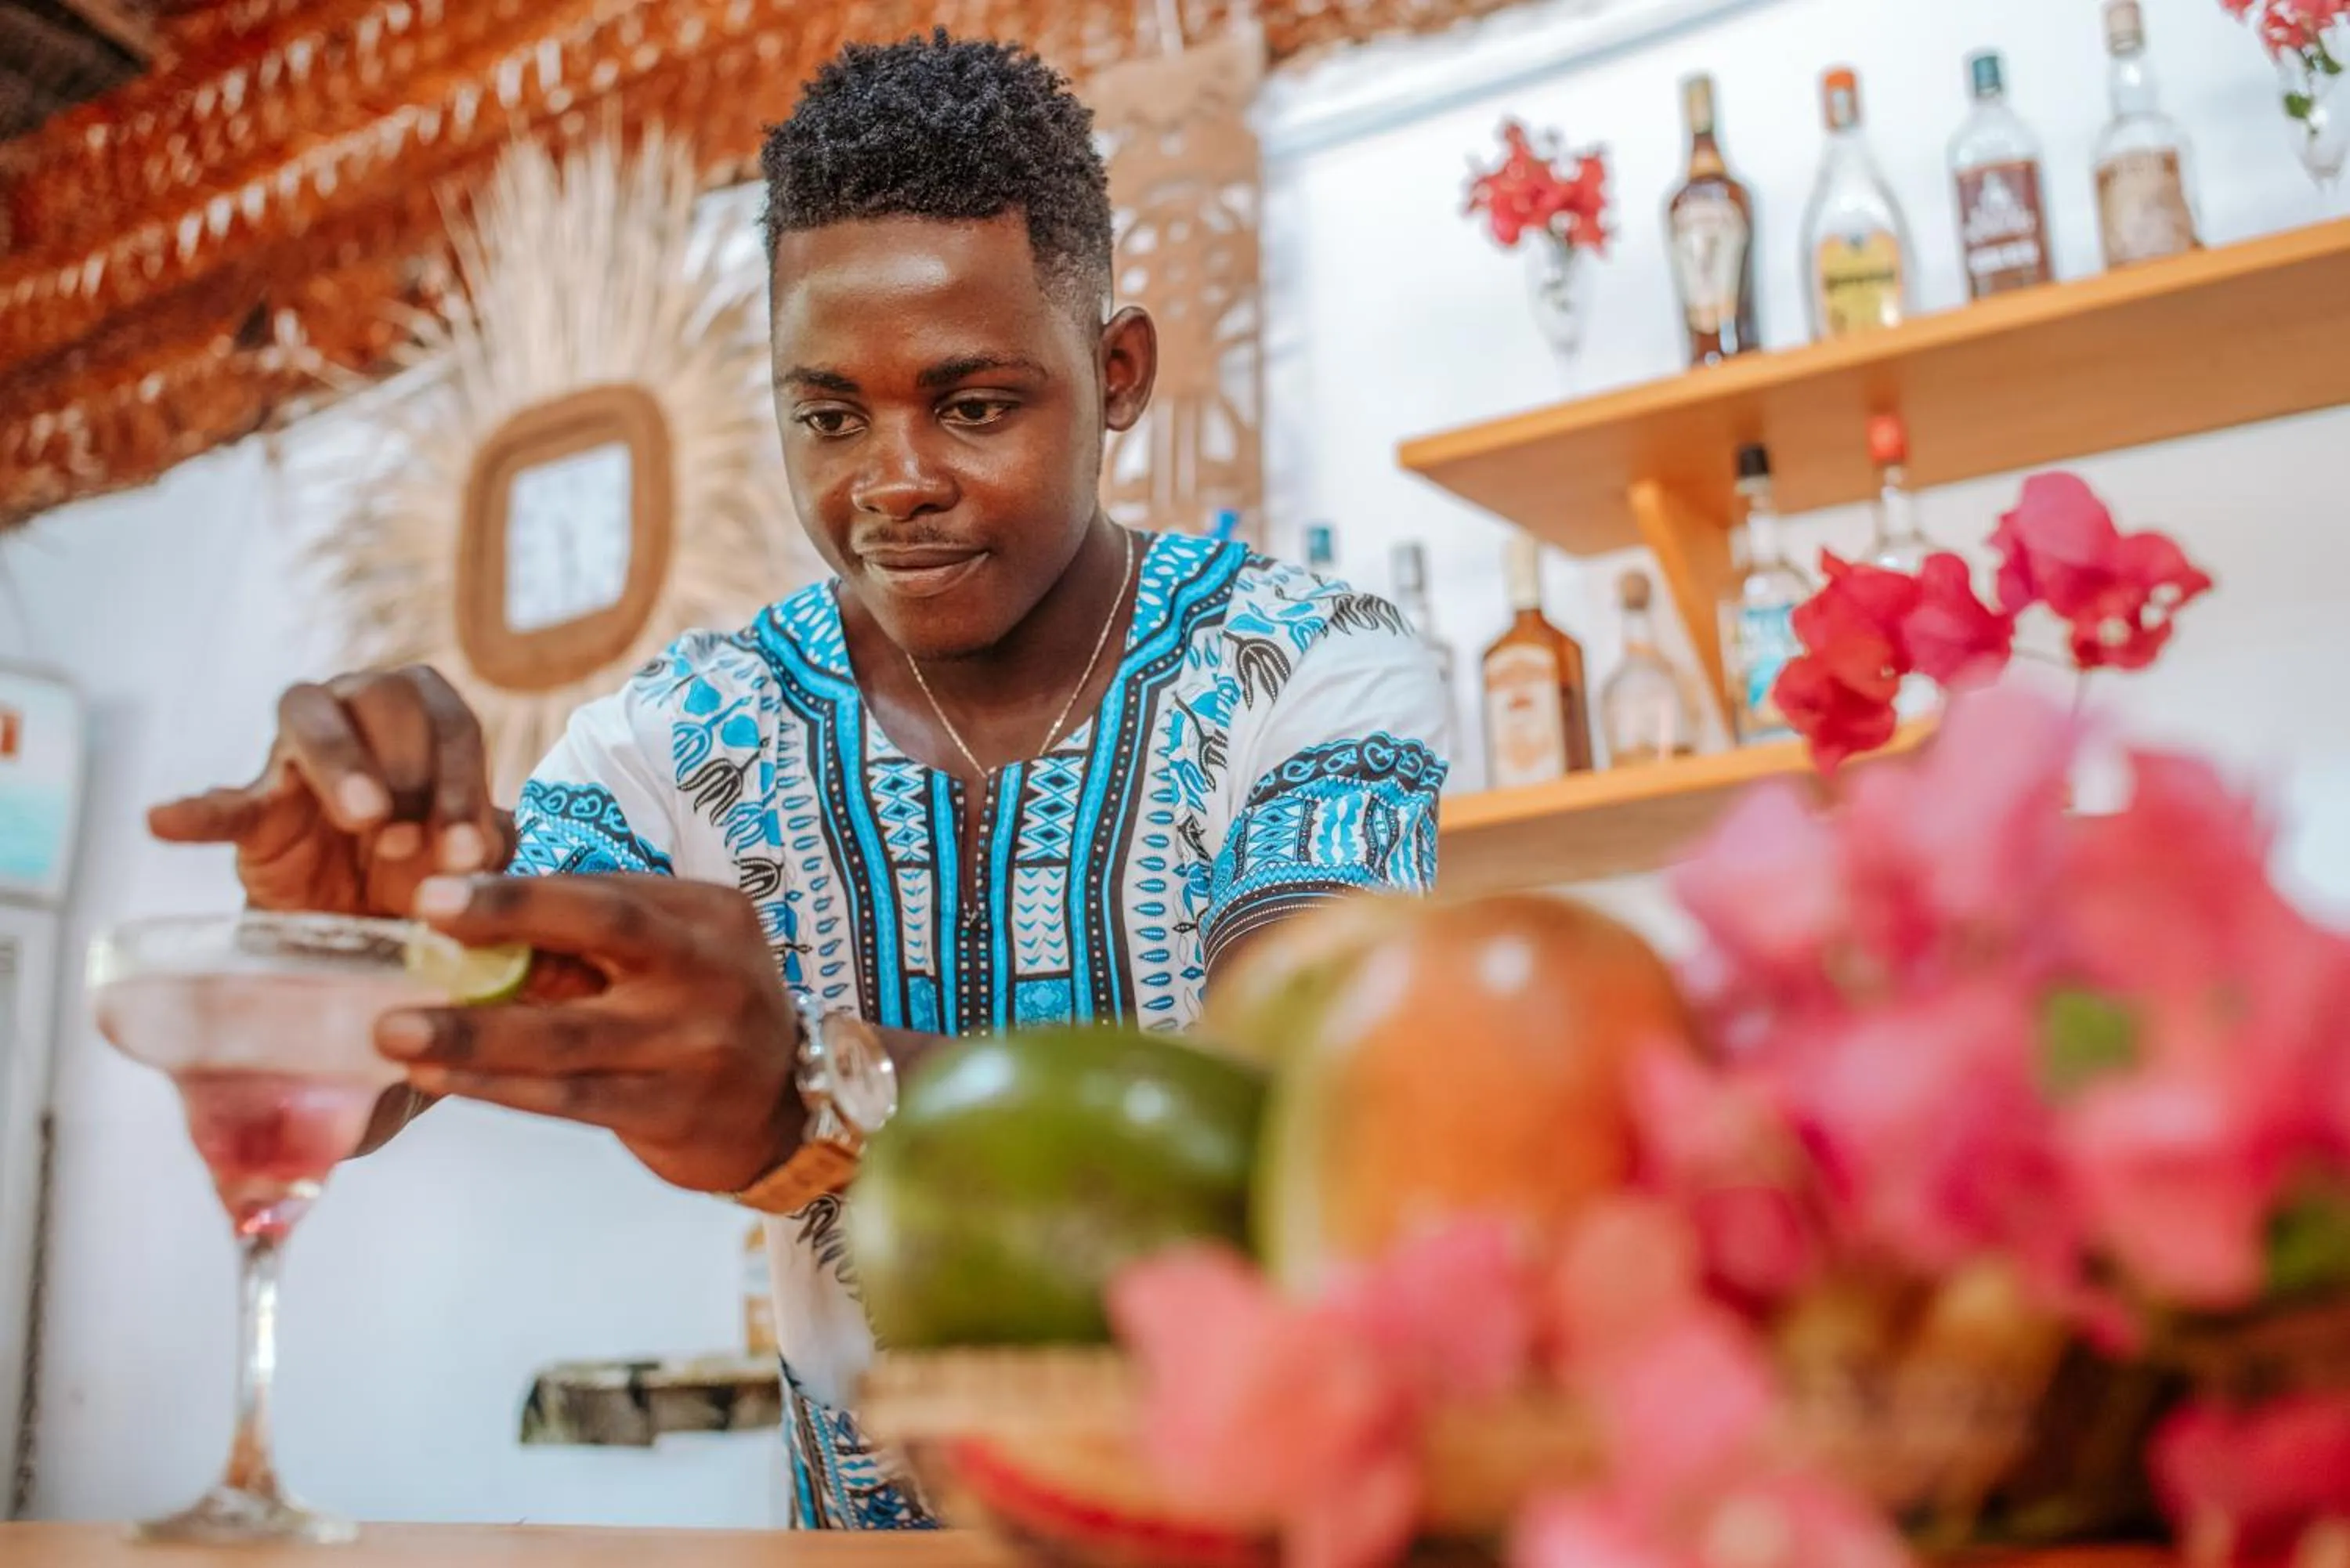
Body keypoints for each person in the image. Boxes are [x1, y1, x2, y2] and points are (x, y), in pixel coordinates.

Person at [150, 31, 1450, 1530]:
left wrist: (812, 1098)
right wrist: (338, 940)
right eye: (828, 414)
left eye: (972, 405)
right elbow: (383, 1072)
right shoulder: (680, 736)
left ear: (1119, 372)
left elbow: (1287, 1119)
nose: (889, 480)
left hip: (1264, 1533)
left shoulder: (1314, 665)